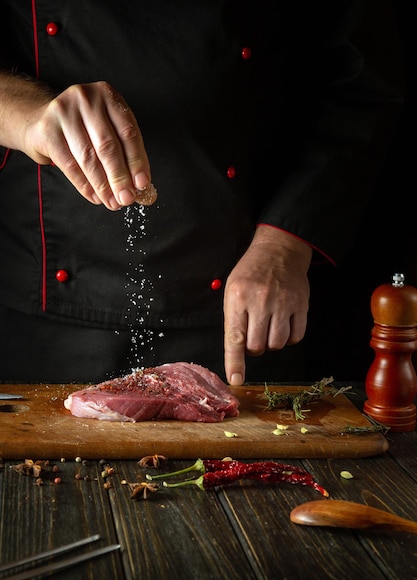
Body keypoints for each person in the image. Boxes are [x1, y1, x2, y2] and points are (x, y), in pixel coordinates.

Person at [0, 1, 402, 385]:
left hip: (243, 296)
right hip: (46, 314)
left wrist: (286, 243)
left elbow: (360, 81)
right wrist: (29, 115)